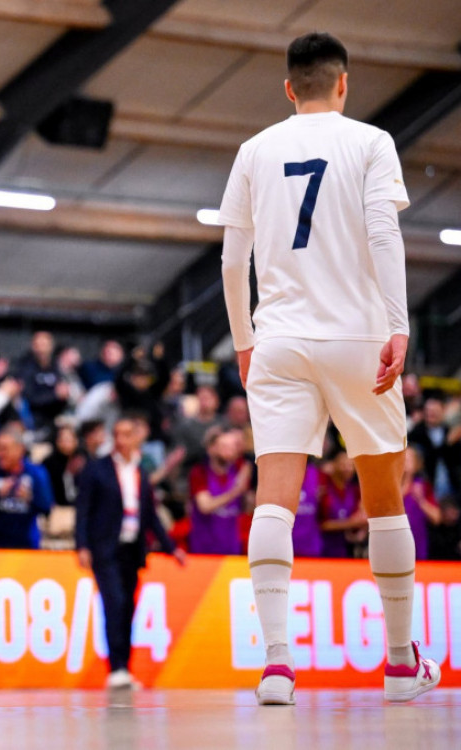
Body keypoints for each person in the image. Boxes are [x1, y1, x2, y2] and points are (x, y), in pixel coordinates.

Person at [219, 32, 439, 704]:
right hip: (358, 337)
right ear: (343, 84)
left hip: (280, 338)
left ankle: (278, 664)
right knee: (384, 498)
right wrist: (399, 325)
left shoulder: (255, 150)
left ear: (290, 88)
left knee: (275, 496)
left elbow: (233, 261)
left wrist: (243, 340)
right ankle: (401, 665)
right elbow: (383, 233)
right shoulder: (371, 142)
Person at [76, 417, 185, 689]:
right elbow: (83, 511)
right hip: (105, 548)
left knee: (128, 607)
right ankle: (116, 668)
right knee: (114, 603)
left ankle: (125, 667)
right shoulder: (97, 470)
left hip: (132, 549)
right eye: (118, 434)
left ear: (137, 438)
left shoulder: (140, 471)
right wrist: (82, 545)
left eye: (128, 434)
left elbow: (150, 515)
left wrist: (172, 548)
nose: (122, 440)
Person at [0, 429, 53, 549]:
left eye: (4, 449)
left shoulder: (36, 473)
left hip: (28, 543)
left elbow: (47, 508)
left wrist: (30, 498)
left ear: (19, 449)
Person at [187, 427, 251, 555]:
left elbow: (247, 508)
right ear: (211, 449)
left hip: (232, 547)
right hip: (204, 549)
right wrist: (235, 492)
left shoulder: (240, 469)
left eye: (233, 447)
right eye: (224, 447)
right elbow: (205, 506)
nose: (230, 452)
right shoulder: (200, 472)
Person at [401, 445, 441, 561]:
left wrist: (421, 500)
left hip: (417, 547)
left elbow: (437, 518)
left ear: (417, 464)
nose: (405, 462)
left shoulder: (423, 487)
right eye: (402, 458)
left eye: (409, 459)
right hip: (393, 545)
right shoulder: (388, 488)